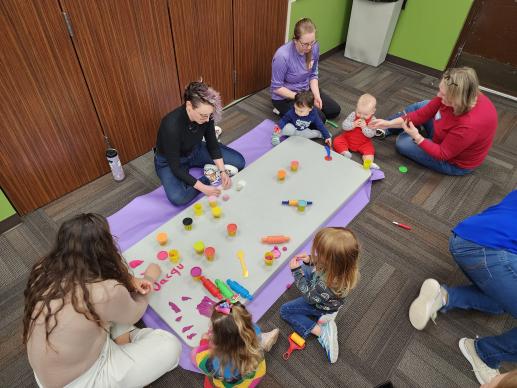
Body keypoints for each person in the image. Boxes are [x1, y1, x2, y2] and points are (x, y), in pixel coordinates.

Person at [23, 213, 181, 388]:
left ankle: (121, 338)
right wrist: (150, 278)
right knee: (170, 346)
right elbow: (136, 312)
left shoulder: (44, 266)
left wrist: (128, 280)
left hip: (52, 369)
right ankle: (124, 341)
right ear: (102, 249)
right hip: (80, 380)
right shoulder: (106, 292)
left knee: (114, 295)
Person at [408, 190, 517, 385]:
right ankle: (484, 353)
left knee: (503, 305)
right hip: (491, 253)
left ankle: (444, 296)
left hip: (466, 236)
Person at [370, 67, 497, 175]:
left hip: (452, 161)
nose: (438, 95)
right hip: (445, 132)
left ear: (456, 98)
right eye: (440, 90)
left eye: (443, 94)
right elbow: (421, 114)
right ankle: (386, 129)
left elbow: (443, 154)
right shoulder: (463, 92)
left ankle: (413, 131)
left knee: (403, 143)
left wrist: (417, 137)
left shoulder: (469, 126)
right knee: (423, 105)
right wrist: (388, 123)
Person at [155, 81, 245, 206]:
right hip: (170, 162)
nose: (208, 119)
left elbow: (212, 144)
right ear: (189, 106)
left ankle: (210, 171)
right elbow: (175, 167)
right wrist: (204, 187)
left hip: (195, 150)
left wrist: (222, 171)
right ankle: (206, 177)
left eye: (209, 115)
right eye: (203, 115)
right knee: (178, 198)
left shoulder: (207, 115)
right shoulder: (171, 125)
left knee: (239, 162)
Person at [280, 227, 360, 363]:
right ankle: (327, 314)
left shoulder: (327, 284)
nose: (316, 253)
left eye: (320, 253)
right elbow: (322, 265)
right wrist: (310, 260)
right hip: (329, 299)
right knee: (307, 267)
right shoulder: (345, 267)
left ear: (331, 261)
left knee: (285, 311)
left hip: (320, 304)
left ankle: (321, 331)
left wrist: (296, 272)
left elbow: (309, 297)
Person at [191, 300, 279, 387]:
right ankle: (264, 341)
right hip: (256, 371)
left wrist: (204, 342)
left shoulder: (220, 362)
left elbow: (199, 361)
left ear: (222, 342)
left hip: (235, 382)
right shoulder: (254, 330)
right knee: (258, 343)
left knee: (209, 381)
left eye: (214, 329)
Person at [270, 18, 341, 121]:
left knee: (334, 110)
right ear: (295, 40)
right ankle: (281, 111)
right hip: (286, 98)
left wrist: (316, 95)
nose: (309, 47)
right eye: (305, 44)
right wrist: (300, 98)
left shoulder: (314, 46)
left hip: (306, 92)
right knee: (320, 119)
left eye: (312, 42)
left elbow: (313, 75)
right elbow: (276, 87)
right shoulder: (282, 56)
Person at [333, 93, 380, 169]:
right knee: (337, 140)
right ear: (356, 108)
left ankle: (368, 163)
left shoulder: (373, 120)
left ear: (373, 111)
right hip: (347, 139)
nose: (361, 116)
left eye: (365, 114)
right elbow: (344, 126)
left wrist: (364, 127)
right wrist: (353, 124)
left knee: (370, 150)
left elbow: (371, 134)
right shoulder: (353, 114)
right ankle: (344, 152)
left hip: (363, 143)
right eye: (359, 112)